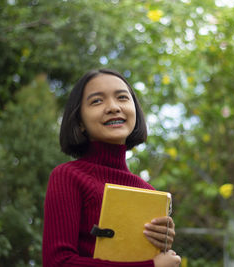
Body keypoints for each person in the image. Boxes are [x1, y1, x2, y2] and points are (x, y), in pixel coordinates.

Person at [43, 69, 181, 267]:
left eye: (122, 98)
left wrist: (162, 247)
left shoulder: (148, 193)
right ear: (80, 121)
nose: (113, 107)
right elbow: (58, 263)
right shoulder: (67, 176)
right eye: (97, 101)